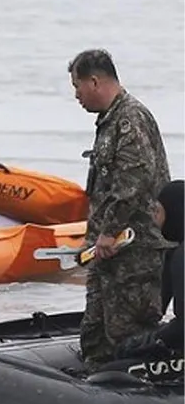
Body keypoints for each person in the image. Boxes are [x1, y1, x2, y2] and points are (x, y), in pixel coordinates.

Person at [69, 49, 170, 368]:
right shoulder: (109, 121)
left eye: (77, 86)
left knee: (129, 335)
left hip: (133, 251)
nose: (76, 95)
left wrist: (109, 232)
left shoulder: (130, 119)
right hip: (108, 252)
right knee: (96, 334)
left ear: (95, 81)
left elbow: (132, 181)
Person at [113, 179, 183, 361]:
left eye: (157, 211)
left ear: (175, 212)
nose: (154, 219)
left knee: (112, 371)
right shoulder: (175, 252)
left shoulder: (182, 256)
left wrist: (147, 342)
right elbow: (160, 305)